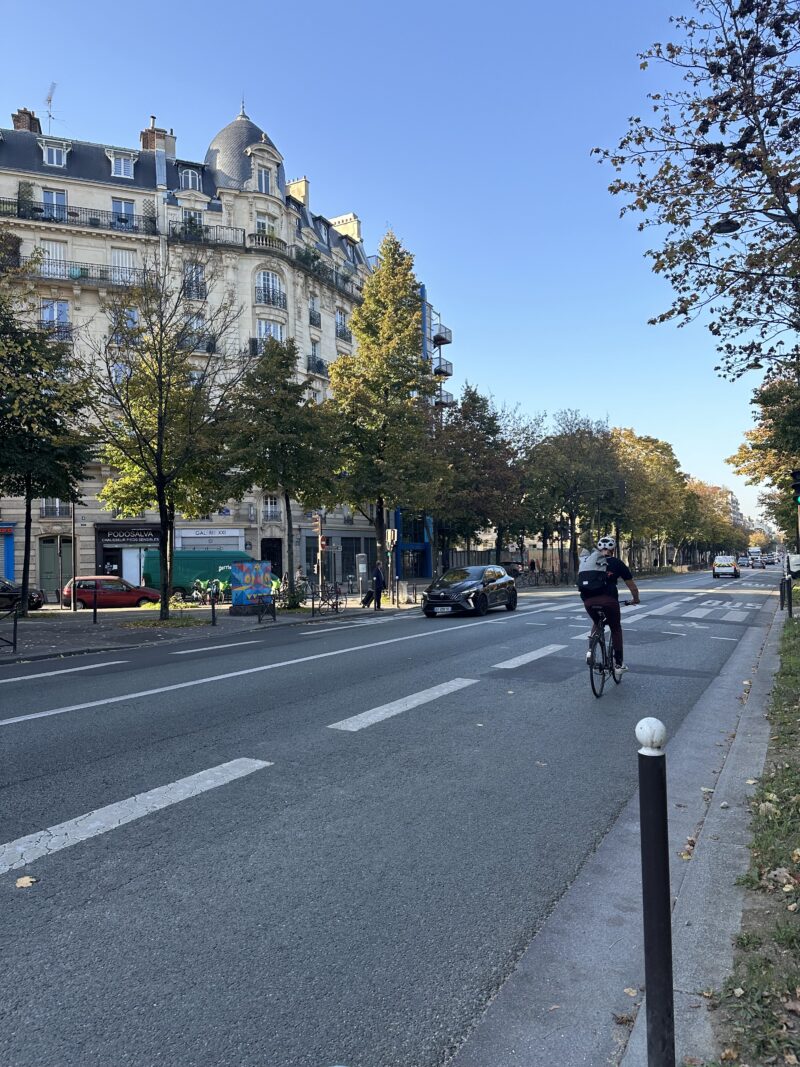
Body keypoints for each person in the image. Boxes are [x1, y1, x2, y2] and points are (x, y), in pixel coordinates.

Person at [579, 536, 640, 673]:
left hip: (588, 601)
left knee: (596, 622)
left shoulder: (588, 562)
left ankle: (591, 651)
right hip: (609, 601)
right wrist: (635, 599)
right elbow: (632, 586)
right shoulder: (617, 563)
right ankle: (618, 664)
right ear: (613, 549)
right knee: (615, 628)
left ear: (599, 548)